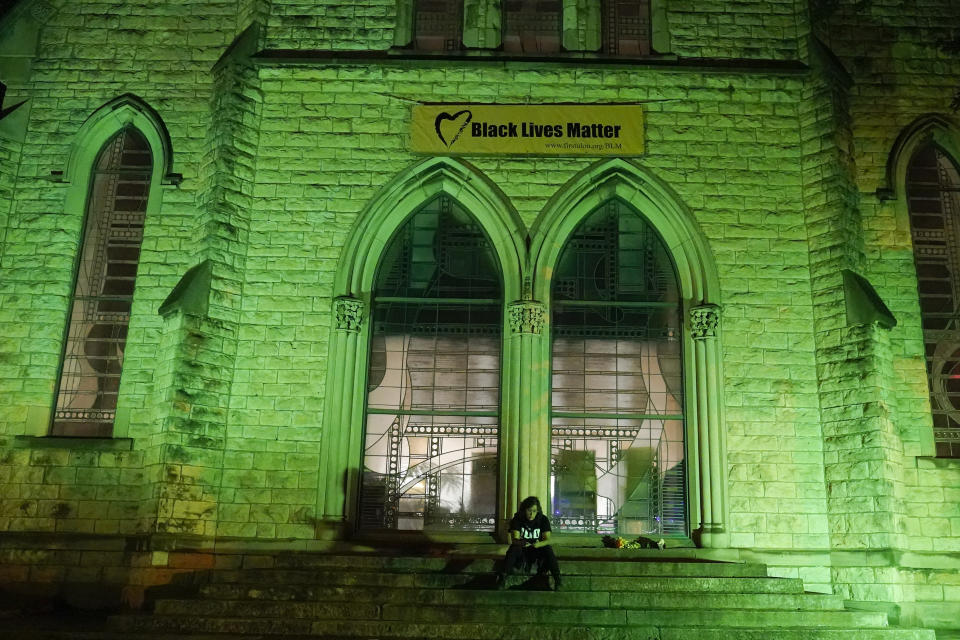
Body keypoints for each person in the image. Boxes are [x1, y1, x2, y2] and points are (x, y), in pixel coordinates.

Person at [495, 496, 562, 591]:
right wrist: (523, 543)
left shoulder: (543, 519)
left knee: (548, 549)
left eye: (534, 511)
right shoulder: (518, 519)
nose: (531, 514)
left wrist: (539, 544)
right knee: (514, 548)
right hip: (522, 549)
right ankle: (502, 579)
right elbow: (514, 540)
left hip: (537, 550)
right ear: (524, 510)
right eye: (529, 510)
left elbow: (548, 540)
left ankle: (558, 580)